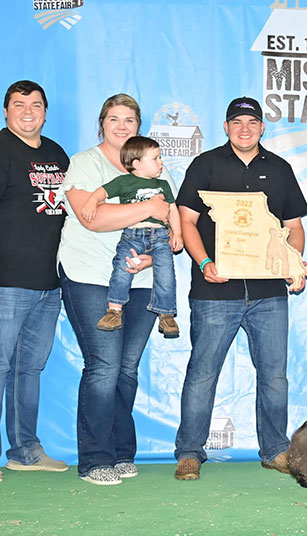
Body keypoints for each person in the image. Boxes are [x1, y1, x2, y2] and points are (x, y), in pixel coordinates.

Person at [173, 96, 307, 480]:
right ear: (226, 127)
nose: (244, 128)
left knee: (274, 375)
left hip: (268, 294)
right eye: (237, 122)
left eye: (252, 122)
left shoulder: (280, 169)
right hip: (214, 291)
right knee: (202, 373)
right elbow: (187, 221)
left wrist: (291, 261)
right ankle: (189, 453)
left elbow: (294, 227)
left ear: (262, 127)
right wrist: (203, 263)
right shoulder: (205, 165)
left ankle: (276, 450)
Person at [58, 94, 175, 485]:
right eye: (114, 118)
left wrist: (152, 255)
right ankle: (94, 459)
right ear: (102, 123)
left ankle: (122, 452)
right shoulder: (85, 163)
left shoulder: (155, 168)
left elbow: (170, 225)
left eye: (129, 119)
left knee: (126, 369)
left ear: (138, 126)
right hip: (90, 275)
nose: (121, 125)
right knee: (104, 366)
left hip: (141, 280)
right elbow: (93, 218)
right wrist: (148, 209)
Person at [0, 80, 69, 480]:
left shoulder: (56, 153)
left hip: (49, 283)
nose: (28, 111)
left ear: (45, 111)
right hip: (7, 281)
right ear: (6, 111)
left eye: (36, 104)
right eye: (19, 104)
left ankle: (25, 450)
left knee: (28, 370)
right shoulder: (2, 148)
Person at [81, 136, 182, 337]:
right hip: (132, 235)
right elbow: (102, 192)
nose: (161, 162)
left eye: (160, 157)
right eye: (155, 158)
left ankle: (166, 313)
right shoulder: (124, 181)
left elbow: (172, 209)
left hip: (160, 237)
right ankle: (114, 310)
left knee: (166, 272)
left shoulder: (163, 185)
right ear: (136, 164)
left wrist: (177, 233)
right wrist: (92, 202)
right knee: (121, 269)